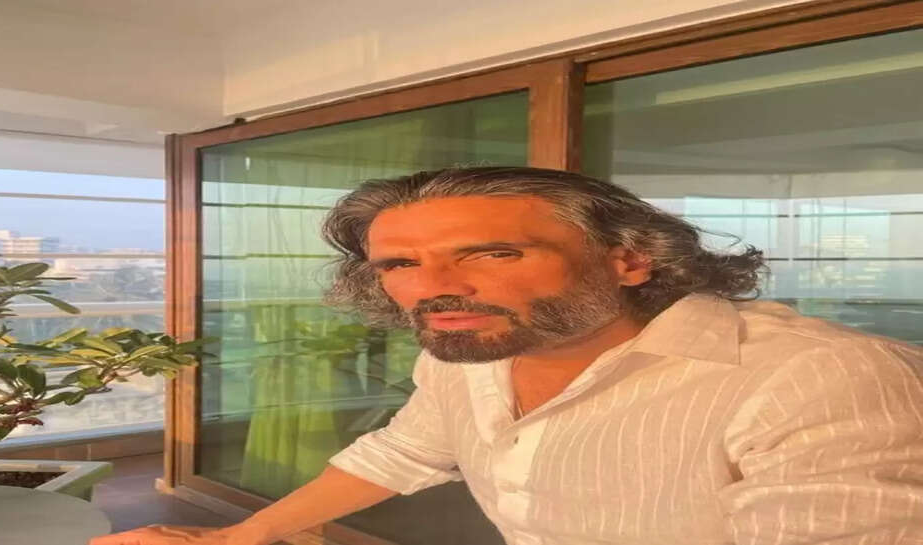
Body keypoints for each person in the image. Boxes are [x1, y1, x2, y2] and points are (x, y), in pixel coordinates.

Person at [92, 167, 923, 545]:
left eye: (493, 253)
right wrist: (244, 538)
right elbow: (404, 451)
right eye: (401, 264)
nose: (433, 289)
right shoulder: (472, 352)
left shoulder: (816, 377)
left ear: (631, 259)